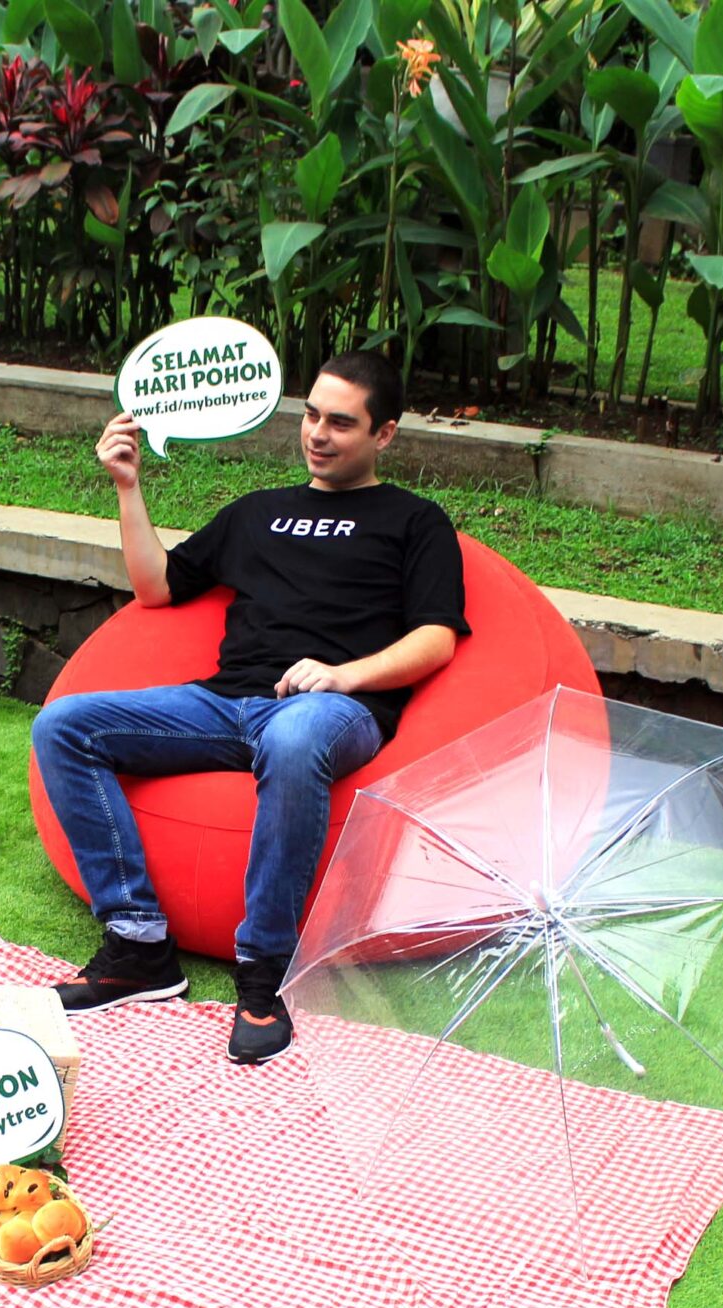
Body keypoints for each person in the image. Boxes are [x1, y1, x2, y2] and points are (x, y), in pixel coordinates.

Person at [32, 349, 467, 1064]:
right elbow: (156, 587)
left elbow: (437, 638)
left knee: (295, 740)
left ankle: (264, 974)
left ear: (385, 433)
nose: (318, 435)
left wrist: (341, 676)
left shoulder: (415, 522)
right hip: (224, 702)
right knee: (64, 726)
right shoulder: (259, 510)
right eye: (311, 416)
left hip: (331, 712)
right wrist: (127, 487)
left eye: (342, 423)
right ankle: (139, 945)